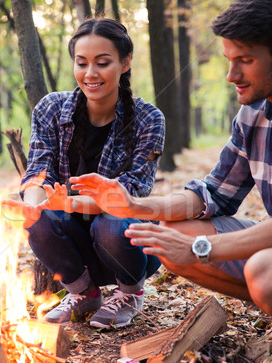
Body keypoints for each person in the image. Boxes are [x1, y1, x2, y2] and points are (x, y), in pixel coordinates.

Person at [70, 0, 272, 363]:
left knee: (265, 273)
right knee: (175, 235)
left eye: (245, 60)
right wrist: (134, 204)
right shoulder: (255, 110)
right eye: (228, 59)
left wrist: (202, 249)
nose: (231, 74)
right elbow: (213, 195)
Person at [10, 18, 165, 328]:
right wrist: (36, 203)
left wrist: (67, 203)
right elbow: (39, 169)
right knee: (33, 217)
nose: (90, 74)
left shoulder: (148, 118)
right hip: (75, 246)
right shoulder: (51, 109)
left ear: (125, 63)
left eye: (102, 63)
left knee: (110, 224)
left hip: (127, 246)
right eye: (82, 63)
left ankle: (130, 293)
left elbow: (129, 195)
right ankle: (84, 293)